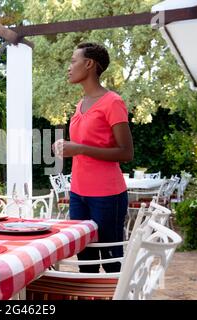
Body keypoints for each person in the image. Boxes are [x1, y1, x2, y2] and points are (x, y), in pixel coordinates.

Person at [52, 42, 134, 273]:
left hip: (107, 196)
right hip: (78, 194)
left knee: (110, 263)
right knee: (86, 262)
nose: (69, 67)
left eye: (73, 61)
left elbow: (126, 152)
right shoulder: (80, 104)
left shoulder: (113, 102)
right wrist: (64, 147)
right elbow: (82, 145)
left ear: (89, 64)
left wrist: (79, 149)